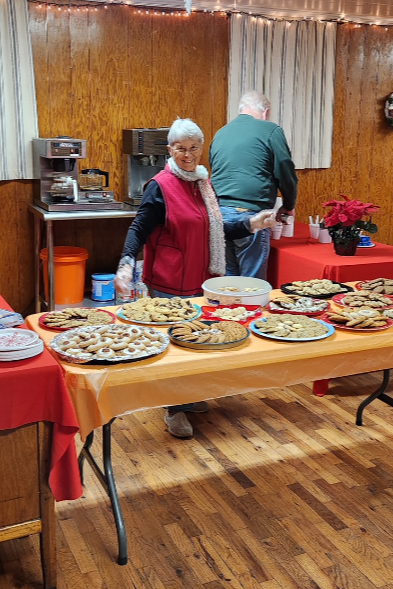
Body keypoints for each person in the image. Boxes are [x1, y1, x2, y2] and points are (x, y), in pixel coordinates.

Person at [113, 118, 276, 439]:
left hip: (201, 279)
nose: (187, 154)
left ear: (201, 150)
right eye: (180, 148)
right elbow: (138, 228)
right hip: (168, 282)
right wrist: (126, 264)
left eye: (193, 148)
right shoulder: (159, 186)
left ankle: (189, 396)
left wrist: (254, 223)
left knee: (197, 340)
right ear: (170, 149)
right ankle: (173, 409)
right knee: (175, 346)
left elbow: (216, 229)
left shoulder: (203, 183)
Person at [209, 91, 298, 280]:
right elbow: (285, 169)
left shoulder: (220, 133)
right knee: (252, 284)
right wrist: (289, 205)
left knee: (229, 283)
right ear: (265, 111)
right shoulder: (271, 130)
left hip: (218, 216)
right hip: (251, 215)